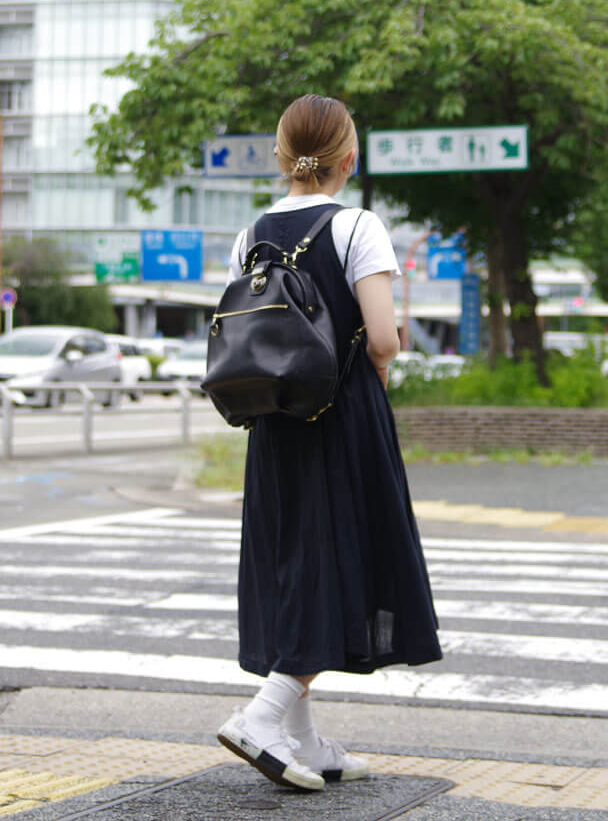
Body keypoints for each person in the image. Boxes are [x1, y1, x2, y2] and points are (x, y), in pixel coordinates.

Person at [216, 94, 442, 792]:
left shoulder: (250, 232)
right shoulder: (358, 227)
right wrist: (379, 364)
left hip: (274, 426)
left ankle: (303, 740)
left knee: (296, 564)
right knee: (346, 559)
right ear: (350, 159)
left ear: (282, 158)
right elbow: (382, 337)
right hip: (343, 420)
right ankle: (265, 713)